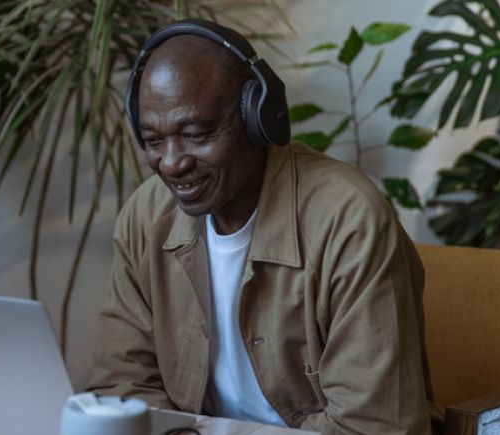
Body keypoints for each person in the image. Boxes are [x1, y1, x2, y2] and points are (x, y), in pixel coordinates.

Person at [87, 19, 436, 434]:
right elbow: (122, 387)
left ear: (259, 118)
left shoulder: (348, 220)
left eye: (196, 134)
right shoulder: (146, 217)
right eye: (154, 140)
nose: (172, 162)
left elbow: (374, 426)